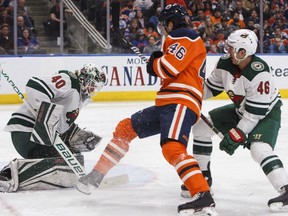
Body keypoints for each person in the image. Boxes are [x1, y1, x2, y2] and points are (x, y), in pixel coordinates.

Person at [77, 4, 217, 216]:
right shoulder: (178, 39)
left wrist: (155, 63)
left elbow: (169, 68)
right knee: (125, 128)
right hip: (167, 103)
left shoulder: (185, 36)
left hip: (180, 102)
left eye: (164, 26)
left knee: (173, 148)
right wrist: (157, 61)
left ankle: (202, 194)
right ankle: (96, 175)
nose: (163, 30)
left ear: (171, 24)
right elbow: (169, 68)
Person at [183, 29, 288, 211]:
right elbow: (210, 88)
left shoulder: (259, 73)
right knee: (200, 128)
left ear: (243, 52)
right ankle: (203, 179)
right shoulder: (225, 63)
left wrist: (237, 133)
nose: (227, 51)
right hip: (241, 110)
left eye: (232, 48)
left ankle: (285, 189)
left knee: (258, 149)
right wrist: (188, 92)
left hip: (266, 114)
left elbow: (254, 114)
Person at [0, 63, 106, 193]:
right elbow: (35, 85)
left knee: (70, 163)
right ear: (86, 78)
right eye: (93, 85)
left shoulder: (78, 96)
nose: (93, 90)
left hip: (37, 137)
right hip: (26, 132)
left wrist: (74, 136)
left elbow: (60, 125)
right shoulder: (70, 81)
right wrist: (45, 115)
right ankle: (9, 174)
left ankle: (13, 173)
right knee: (62, 164)